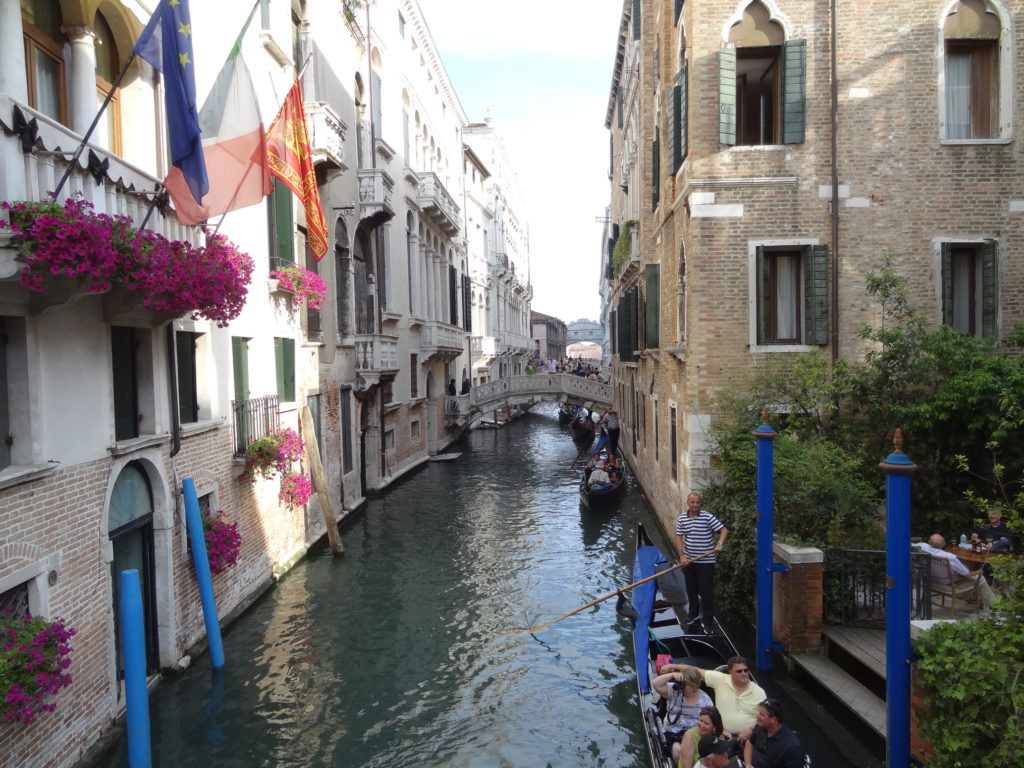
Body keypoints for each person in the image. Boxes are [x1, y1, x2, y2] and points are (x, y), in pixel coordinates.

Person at [664, 657, 765, 743]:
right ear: (730, 672)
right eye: (739, 671)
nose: (743, 673)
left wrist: (751, 731)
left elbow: (765, 718)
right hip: (722, 735)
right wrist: (672, 667)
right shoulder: (721, 679)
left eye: (746, 670)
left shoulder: (759, 692)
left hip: (750, 738)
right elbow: (696, 670)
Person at [675, 492, 729, 633]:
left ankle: (708, 621)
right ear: (688, 503)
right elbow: (679, 537)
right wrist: (682, 556)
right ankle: (693, 616)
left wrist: (720, 544)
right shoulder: (682, 518)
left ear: (700, 504)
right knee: (691, 591)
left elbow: (724, 530)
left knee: (706, 593)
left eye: (697, 503)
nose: (695, 505)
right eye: (692, 502)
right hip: (689, 561)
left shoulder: (707, 517)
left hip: (706, 562)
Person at [912, 534, 996, 610]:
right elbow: (968, 575)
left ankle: (973, 598)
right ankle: (995, 605)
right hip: (948, 583)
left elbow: (909, 544)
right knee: (980, 578)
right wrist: (979, 571)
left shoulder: (922, 546)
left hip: (930, 579)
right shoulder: (949, 557)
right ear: (944, 544)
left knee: (964, 567)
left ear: (929, 542)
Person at [651, 668, 712, 763]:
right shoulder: (676, 690)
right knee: (678, 750)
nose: (682, 686)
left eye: (685, 684)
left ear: (694, 686)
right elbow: (656, 683)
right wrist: (673, 675)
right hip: (672, 733)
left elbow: (711, 720)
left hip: (694, 735)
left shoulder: (705, 701)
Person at [743, 698, 806, 768]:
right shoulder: (760, 726)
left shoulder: (791, 747)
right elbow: (750, 743)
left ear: (773, 720)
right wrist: (748, 764)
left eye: (762, 714)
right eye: (758, 712)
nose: (758, 716)